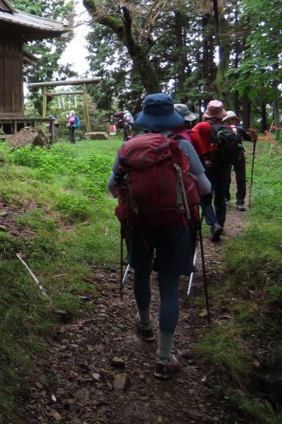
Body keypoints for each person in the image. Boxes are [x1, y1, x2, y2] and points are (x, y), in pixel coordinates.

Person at [108, 93, 211, 380]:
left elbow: (111, 187)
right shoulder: (182, 145)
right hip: (174, 223)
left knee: (140, 272)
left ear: (144, 120)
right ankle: (164, 358)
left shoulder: (128, 147)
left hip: (139, 223)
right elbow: (204, 187)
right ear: (171, 120)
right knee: (168, 285)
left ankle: (144, 325)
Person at [189, 100, 229, 242]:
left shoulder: (201, 126)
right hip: (225, 166)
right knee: (220, 196)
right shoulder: (227, 127)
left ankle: (213, 224)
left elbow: (191, 137)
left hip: (207, 166)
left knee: (205, 196)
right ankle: (221, 225)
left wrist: (202, 150)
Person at [222, 111, 258, 211]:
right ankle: (225, 197)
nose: (232, 121)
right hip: (227, 156)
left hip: (239, 156)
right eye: (230, 119)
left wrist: (254, 136)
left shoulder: (240, 130)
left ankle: (240, 201)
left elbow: (252, 140)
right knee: (226, 178)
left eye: (234, 119)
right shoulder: (222, 130)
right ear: (225, 121)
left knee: (241, 179)